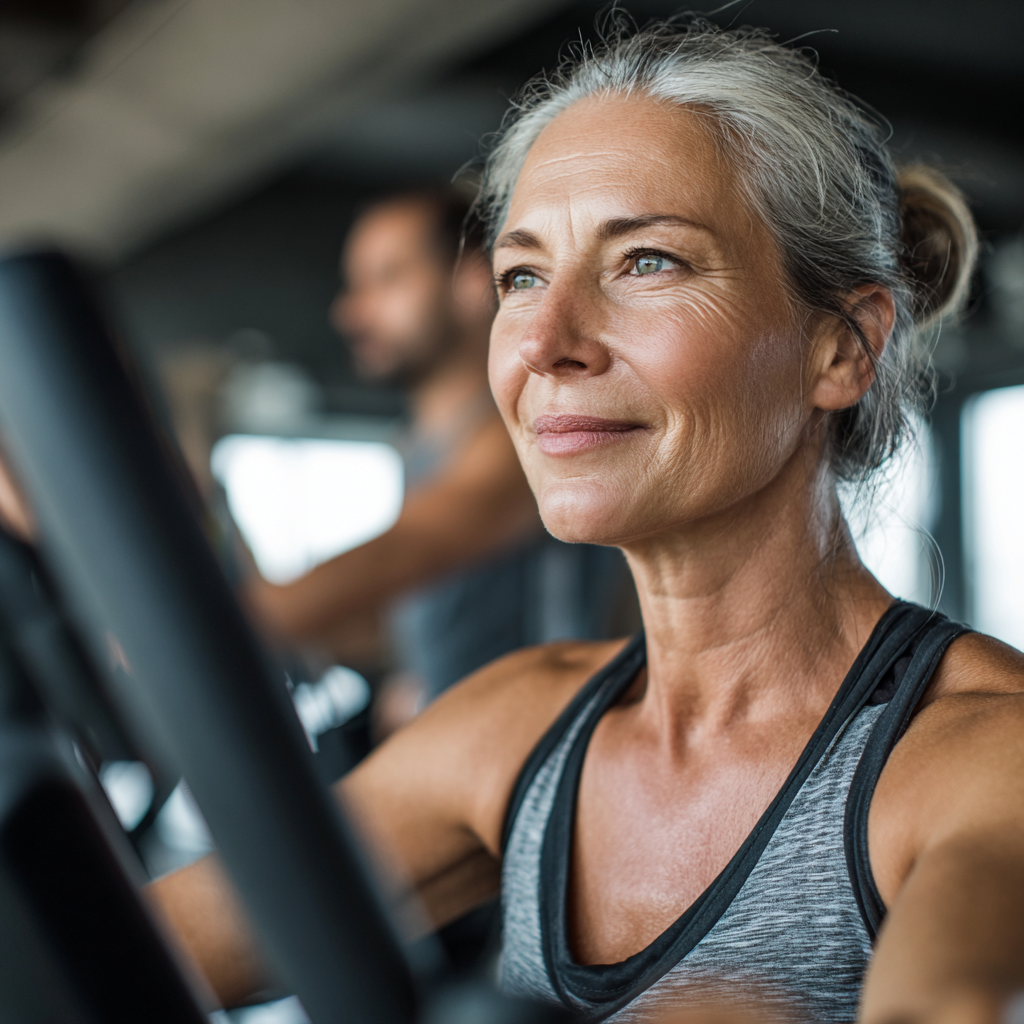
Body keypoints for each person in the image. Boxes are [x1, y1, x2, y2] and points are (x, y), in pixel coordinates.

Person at [151, 19, 1024, 1023]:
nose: (544, 341)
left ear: (841, 348)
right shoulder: (519, 726)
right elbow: (121, 947)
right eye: (522, 277)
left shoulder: (978, 756)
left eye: (647, 261)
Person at [243, 190, 628, 729]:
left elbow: (411, 547)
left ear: (471, 283)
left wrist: (207, 618)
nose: (351, 312)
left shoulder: (515, 436)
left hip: (545, 745)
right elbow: (417, 614)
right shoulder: (417, 449)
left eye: (387, 279)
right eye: (355, 286)